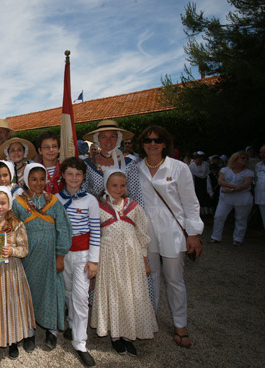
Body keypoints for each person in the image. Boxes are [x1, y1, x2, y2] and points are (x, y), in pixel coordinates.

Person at [137, 125, 203, 348]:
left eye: (157, 140)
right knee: (151, 276)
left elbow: (191, 202)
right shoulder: (137, 169)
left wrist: (193, 233)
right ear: (142, 144)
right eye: (147, 140)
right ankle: (151, 316)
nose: (152, 144)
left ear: (165, 143)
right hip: (147, 229)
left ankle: (180, 324)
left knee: (174, 279)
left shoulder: (179, 168)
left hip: (173, 229)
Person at [91, 169, 157, 356]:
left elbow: (142, 235)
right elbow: (94, 234)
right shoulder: (98, 207)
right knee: (113, 292)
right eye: (114, 185)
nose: (119, 189)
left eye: (122, 185)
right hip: (109, 257)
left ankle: (128, 335)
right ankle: (115, 336)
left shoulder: (134, 207)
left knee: (131, 292)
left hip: (131, 258)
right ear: (106, 186)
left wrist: (144, 261)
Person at [12, 163, 71, 352]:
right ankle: (29, 332)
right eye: (34, 179)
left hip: (50, 258)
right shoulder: (19, 203)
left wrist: (60, 256)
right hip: (28, 258)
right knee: (28, 292)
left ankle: (51, 331)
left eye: (42, 179)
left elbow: (63, 229)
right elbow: (13, 229)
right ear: (26, 180)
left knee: (51, 292)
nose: (38, 183)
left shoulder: (53, 202)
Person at [0, 186, 35, 359]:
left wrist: (12, 251)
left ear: (9, 203)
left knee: (11, 304)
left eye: (3, 203)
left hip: (11, 272)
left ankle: (13, 341)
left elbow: (24, 249)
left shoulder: (17, 225)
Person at [56, 157, 100, 367]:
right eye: (70, 174)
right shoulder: (55, 199)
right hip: (63, 254)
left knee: (81, 297)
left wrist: (94, 260)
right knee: (67, 292)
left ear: (83, 177)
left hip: (83, 254)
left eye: (78, 174)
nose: (74, 178)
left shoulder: (90, 200)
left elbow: (95, 232)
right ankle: (72, 324)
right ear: (63, 175)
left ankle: (80, 342)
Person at [82, 120, 143, 206]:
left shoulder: (129, 164)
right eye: (103, 137)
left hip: (123, 215)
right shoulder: (88, 164)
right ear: (97, 139)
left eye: (113, 136)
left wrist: (138, 217)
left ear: (118, 138)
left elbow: (137, 195)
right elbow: (83, 193)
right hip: (96, 215)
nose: (108, 141)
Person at [209, 151, 254, 246]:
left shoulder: (249, 172)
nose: (245, 160)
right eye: (242, 158)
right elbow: (220, 181)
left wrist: (231, 190)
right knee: (219, 216)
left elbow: (245, 185)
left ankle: (238, 239)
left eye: (246, 158)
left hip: (242, 199)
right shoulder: (225, 170)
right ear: (235, 159)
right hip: (225, 198)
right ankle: (215, 237)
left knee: (241, 219)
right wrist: (232, 186)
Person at [189, 151, 211, 216]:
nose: (199, 160)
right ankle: (199, 212)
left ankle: (207, 212)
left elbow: (207, 174)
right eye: (197, 158)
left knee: (205, 196)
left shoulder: (206, 164)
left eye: (200, 158)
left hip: (205, 181)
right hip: (197, 182)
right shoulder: (191, 166)